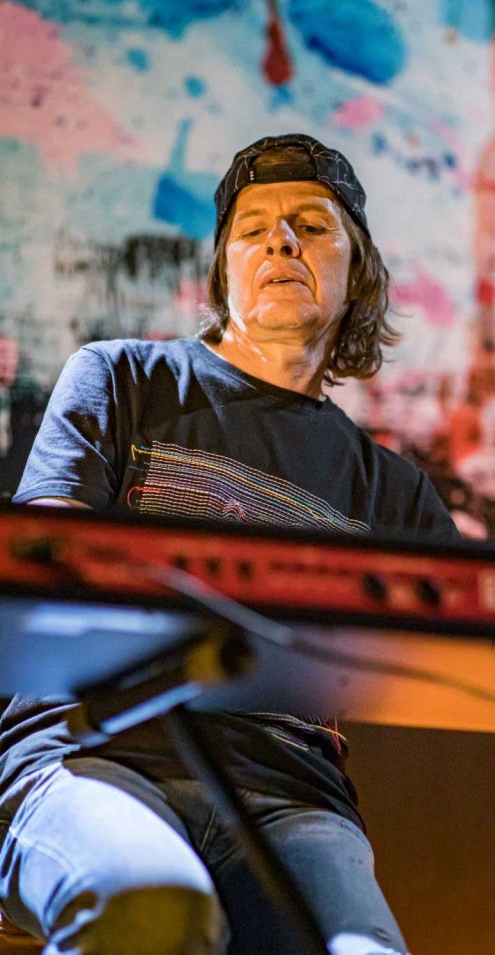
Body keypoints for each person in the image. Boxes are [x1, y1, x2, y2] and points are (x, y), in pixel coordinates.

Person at [0, 133, 460, 955]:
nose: (280, 241)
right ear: (223, 273)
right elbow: (43, 579)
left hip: (291, 795)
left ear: (359, 271)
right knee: (153, 912)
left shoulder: (392, 492)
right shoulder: (119, 378)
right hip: (95, 755)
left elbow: (487, 659)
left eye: (311, 226)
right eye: (253, 229)